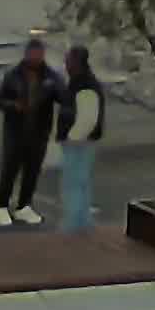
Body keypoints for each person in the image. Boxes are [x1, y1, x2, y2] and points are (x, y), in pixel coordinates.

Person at [0, 37, 60, 227]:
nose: (36, 57)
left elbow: (63, 95)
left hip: (39, 132)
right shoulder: (13, 75)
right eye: (33, 53)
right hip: (15, 131)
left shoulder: (50, 77)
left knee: (32, 170)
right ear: (27, 54)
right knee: (10, 169)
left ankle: (24, 206)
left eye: (40, 54)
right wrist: (13, 106)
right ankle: (1, 206)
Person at [56, 45, 107, 233]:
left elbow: (87, 118)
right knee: (80, 182)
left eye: (68, 60)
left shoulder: (84, 85)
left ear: (77, 63)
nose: (65, 64)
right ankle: (82, 222)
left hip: (78, 143)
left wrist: (72, 137)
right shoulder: (80, 83)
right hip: (81, 142)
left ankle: (73, 224)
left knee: (73, 183)